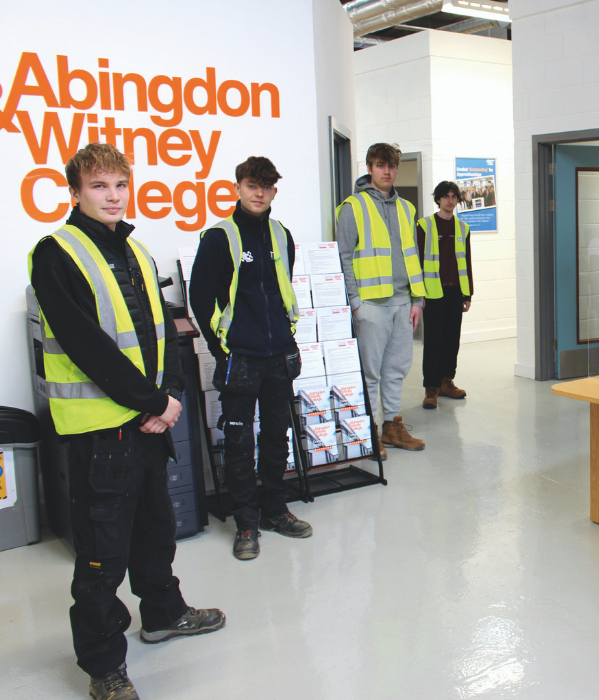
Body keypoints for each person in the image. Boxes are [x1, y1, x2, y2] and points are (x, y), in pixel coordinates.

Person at [28, 143, 224, 700]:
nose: (112, 196)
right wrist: (153, 404)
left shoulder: (136, 250)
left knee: (155, 531)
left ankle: (163, 615)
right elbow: (87, 345)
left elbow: (163, 330)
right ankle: (103, 665)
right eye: (99, 187)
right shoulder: (56, 253)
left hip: (147, 422)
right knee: (101, 554)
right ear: (74, 193)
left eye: (119, 185)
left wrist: (170, 393)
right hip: (102, 433)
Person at [189, 156, 312, 562]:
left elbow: (283, 290)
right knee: (239, 442)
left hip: (279, 356)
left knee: (278, 437)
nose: (259, 193)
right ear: (238, 188)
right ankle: (246, 521)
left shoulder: (282, 235)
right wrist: (219, 348)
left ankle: (275, 509)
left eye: (266, 186)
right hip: (239, 357)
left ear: (274, 191)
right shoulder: (218, 238)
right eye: (251, 185)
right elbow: (200, 298)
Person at [337, 143, 426, 459]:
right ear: (370, 168)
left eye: (391, 166)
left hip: (403, 303)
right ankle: (369, 433)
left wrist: (418, 298)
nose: (386, 171)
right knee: (370, 372)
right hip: (371, 305)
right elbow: (344, 256)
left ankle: (392, 426)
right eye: (379, 165)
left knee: (397, 369)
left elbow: (412, 255)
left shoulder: (407, 208)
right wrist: (355, 302)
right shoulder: (353, 207)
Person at [416, 181, 474, 409]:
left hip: (455, 292)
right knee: (433, 341)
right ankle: (431, 388)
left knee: (452, 340)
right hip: (432, 292)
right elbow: (418, 261)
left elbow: (466, 262)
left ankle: (446, 381)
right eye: (445, 196)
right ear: (438, 199)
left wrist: (468, 293)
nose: (450, 200)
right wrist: (418, 293)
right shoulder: (424, 225)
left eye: (453, 196)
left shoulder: (463, 228)